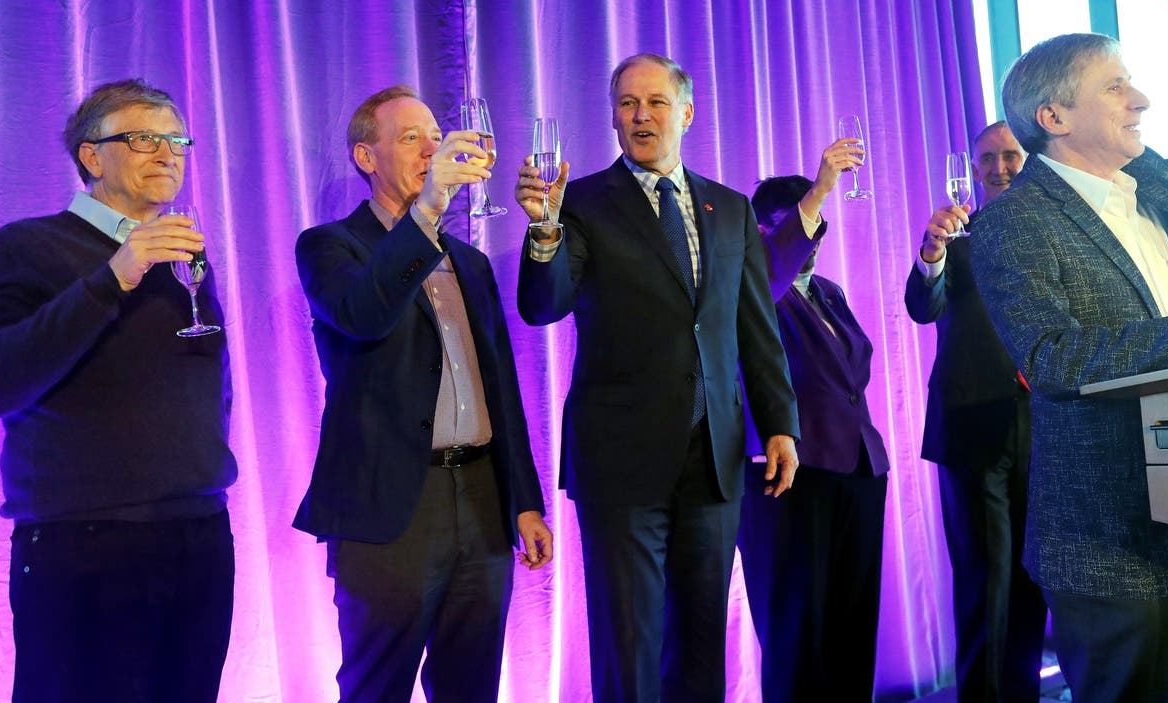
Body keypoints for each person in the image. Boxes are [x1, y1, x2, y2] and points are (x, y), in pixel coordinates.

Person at [514, 53, 800, 702]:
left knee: (703, 638)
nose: (641, 115)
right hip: (622, 461)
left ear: (687, 113)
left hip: (716, 456)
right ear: (613, 117)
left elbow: (754, 328)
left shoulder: (727, 208)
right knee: (631, 640)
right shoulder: (580, 201)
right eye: (626, 103)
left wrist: (780, 424)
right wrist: (545, 229)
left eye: (656, 102)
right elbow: (543, 305)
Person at [0, 79, 238, 703]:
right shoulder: (27, 245)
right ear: (92, 156)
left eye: (176, 139)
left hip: (199, 531)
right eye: (144, 138)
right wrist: (114, 275)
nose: (168, 152)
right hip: (84, 541)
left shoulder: (184, 254)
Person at [293, 85, 553, 703]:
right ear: (366, 157)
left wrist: (523, 500)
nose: (433, 149)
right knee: (376, 683)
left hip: (483, 497)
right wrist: (428, 209)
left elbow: (503, 392)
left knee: (472, 682)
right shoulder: (330, 246)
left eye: (436, 137)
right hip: (392, 507)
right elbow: (364, 315)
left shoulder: (469, 260)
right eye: (411, 138)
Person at [971, 33, 1168, 702]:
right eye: (1115, 86)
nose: (1140, 99)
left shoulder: (1154, 191)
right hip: (1113, 543)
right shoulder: (1014, 221)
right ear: (1052, 117)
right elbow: (1050, 357)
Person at [739, 142, 891, 703]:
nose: (808, 239)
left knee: (852, 623)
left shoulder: (830, 291)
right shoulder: (749, 289)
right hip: (788, 477)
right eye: (791, 225)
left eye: (813, 225)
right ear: (758, 231)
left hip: (857, 470)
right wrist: (822, 186)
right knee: (794, 630)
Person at [904, 121, 1047, 703]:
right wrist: (932, 253)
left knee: (1033, 575)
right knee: (984, 582)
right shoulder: (956, 238)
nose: (999, 168)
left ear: (1030, 158)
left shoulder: (1053, 236)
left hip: (1046, 427)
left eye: (1009, 155)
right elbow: (920, 306)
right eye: (986, 158)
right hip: (971, 427)